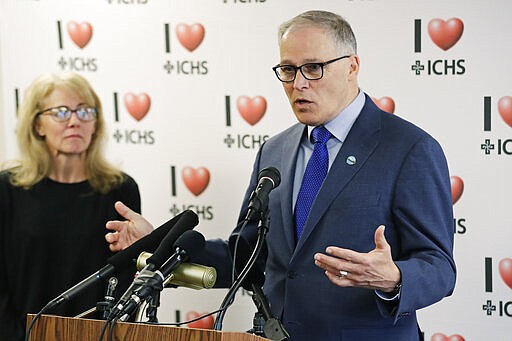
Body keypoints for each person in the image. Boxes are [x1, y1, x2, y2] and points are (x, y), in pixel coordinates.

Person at [105, 10, 456, 341]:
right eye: (288, 70)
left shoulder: (409, 148)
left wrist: (393, 278)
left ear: (352, 66)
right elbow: (247, 256)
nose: (298, 84)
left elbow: (439, 267)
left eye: (313, 68)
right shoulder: (274, 150)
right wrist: (160, 244)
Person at [0, 72, 141, 341]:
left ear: (96, 124)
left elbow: (126, 284)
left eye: (85, 111)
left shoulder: (121, 190)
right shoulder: (7, 189)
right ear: (37, 125)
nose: (75, 121)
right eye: (61, 112)